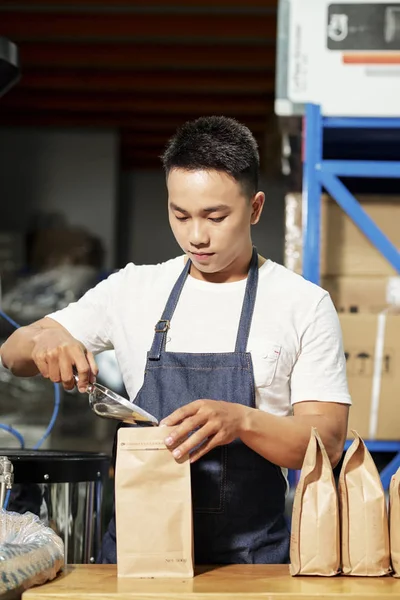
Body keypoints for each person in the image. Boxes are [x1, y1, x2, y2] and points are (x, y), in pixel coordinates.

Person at [0, 116, 351, 565]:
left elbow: (327, 441)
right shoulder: (133, 290)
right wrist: (41, 343)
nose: (196, 236)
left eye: (215, 216)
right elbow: (13, 353)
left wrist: (240, 421)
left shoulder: (302, 303)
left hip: (250, 565)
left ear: (256, 207)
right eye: (180, 215)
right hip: (136, 559)